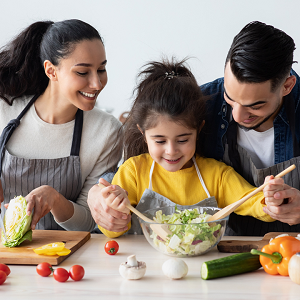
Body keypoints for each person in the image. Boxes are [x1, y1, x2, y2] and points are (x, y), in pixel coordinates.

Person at [90, 59, 283, 238]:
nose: (171, 150)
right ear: (143, 133)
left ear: (198, 130)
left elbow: (253, 203)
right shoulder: (133, 171)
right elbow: (111, 231)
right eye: (159, 141)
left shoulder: (217, 175)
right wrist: (114, 208)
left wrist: (271, 198)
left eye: (182, 140)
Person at [0, 19, 121, 231]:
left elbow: (89, 221)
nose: (97, 83)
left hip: (68, 255)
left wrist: (55, 199)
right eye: (83, 72)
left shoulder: (107, 131)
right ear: (51, 71)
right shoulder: (4, 109)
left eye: (101, 69)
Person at [199, 21, 300, 235]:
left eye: (255, 106)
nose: (237, 115)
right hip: (223, 246)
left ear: (287, 86)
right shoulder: (201, 103)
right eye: (230, 97)